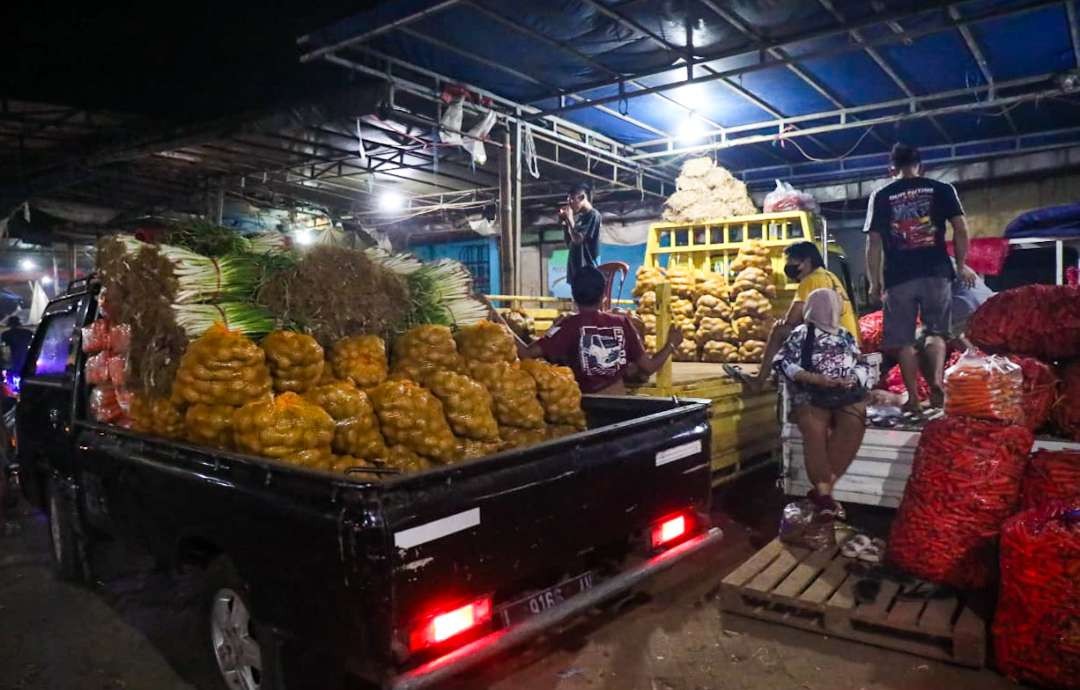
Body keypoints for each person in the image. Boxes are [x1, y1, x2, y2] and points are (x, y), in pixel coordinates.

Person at [864, 143, 977, 415]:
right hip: (936, 272)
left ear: (891, 167)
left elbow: (874, 242)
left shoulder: (881, 194)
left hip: (898, 277)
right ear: (920, 164)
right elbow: (961, 228)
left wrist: (874, 282)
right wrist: (961, 265)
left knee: (903, 340)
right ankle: (936, 382)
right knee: (936, 332)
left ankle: (913, 398)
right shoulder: (942, 189)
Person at [774, 288, 871, 524]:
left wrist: (853, 379)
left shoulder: (845, 335)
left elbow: (862, 364)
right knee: (814, 430)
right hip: (810, 393)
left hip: (841, 394)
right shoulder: (801, 333)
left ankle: (820, 491)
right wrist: (813, 378)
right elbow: (783, 362)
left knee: (854, 422)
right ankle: (826, 495)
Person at [516, 267, 682, 395]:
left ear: (573, 295)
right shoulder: (622, 322)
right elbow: (648, 366)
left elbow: (526, 353)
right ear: (603, 294)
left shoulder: (567, 326)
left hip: (588, 408)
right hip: (620, 406)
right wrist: (670, 344)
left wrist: (502, 329)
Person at [725, 241, 858, 393]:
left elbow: (792, 319)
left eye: (791, 260)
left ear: (806, 261)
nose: (788, 265)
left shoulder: (811, 279)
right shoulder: (829, 276)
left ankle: (760, 380)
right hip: (846, 339)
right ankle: (776, 375)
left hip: (828, 339)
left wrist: (779, 322)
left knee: (780, 330)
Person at [559, 182, 601, 288]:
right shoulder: (580, 219)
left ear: (582, 197)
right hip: (576, 273)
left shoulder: (593, 215)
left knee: (587, 304)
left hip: (588, 273)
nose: (570, 205)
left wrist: (570, 219)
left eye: (572, 200)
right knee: (578, 304)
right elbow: (570, 243)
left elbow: (578, 239)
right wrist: (565, 223)